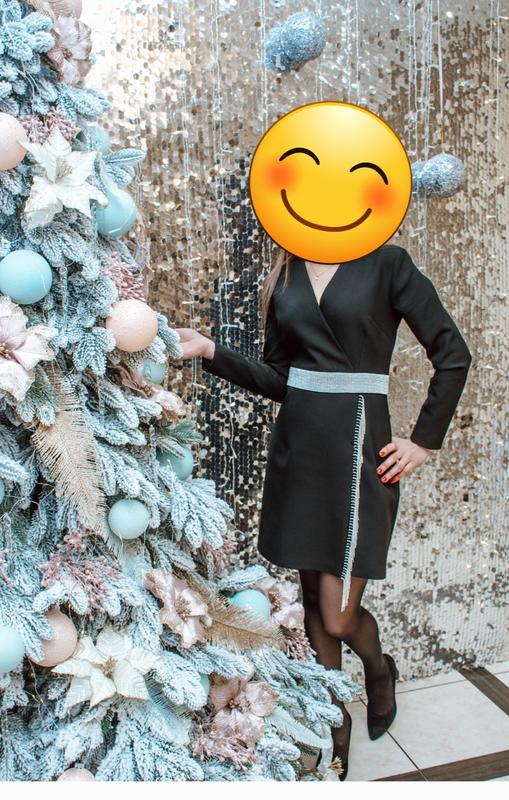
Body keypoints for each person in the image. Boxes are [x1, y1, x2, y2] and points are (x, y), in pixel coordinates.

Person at [175, 243, 472, 779]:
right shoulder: (286, 272)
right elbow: (279, 379)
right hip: (299, 456)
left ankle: (378, 669)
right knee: (313, 600)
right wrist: (210, 350)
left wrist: (424, 441)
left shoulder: (387, 263)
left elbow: (453, 354)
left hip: (359, 452)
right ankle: (333, 720)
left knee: (337, 614)